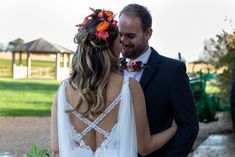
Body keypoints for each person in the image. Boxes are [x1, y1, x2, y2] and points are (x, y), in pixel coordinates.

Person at [51, 8, 177, 157]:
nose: (122, 44)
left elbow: (56, 150)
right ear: (110, 48)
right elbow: (144, 147)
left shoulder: (63, 91)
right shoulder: (129, 87)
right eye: (119, 40)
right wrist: (174, 128)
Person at [118, 4, 199, 157]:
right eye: (120, 34)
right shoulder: (111, 70)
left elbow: (189, 126)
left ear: (147, 33)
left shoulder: (172, 71)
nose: (123, 40)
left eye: (130, 36)